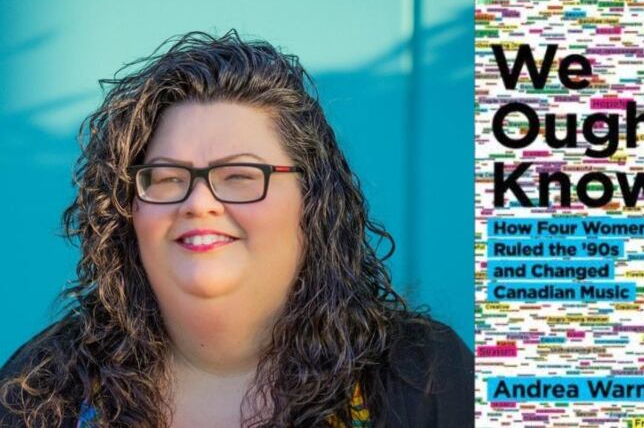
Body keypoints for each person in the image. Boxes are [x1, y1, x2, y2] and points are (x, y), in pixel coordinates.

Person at [0, 30, 473, 427]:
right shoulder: (46, 386)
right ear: (129, 212)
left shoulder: (420, 377)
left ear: (311, 203)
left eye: (241, 177)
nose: (199, 202)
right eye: (167, 179)